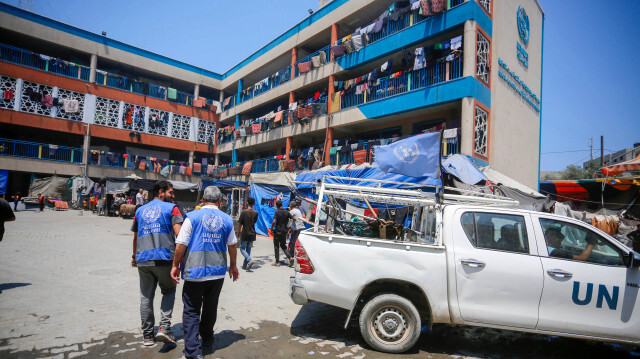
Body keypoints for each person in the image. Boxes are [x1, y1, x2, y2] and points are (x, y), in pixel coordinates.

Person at [171, 186, 239, 359]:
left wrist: (175, 265)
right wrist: (233, 266)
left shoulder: (192, 217)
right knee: (210, 306)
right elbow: (232, 245)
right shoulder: (227, 219)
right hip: (217, 272)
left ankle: (193, 352)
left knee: (192, 310)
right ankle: (207, 338)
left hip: (195, 270)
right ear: (219, 201)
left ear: (202, 200)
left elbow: (181, 245)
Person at [131, 180, 183, 347]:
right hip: (164, 259)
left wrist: (134, 256)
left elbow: (136, 236)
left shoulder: (140, 210)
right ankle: (164, 328)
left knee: (146, 297)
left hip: (143, 259)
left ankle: (147, 336)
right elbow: (180, 236)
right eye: (170, 193)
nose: (173, 196)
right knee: (168, 290)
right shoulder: (172, 208)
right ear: (161, 192)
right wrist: (180, 260)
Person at [237, 197, 258, 270]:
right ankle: (245, 266)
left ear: (247, 203)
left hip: (245, 232)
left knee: (242, 248)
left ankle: (249, 260)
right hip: (252, 232)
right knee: (248, 249)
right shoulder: (256, 213)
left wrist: (238, 231)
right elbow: (254, 222)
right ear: (254, 204)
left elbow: (240, 223)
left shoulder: (243, 212)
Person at [271, 200, 293, 267]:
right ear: (282, 205)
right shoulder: (287, 212)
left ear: (277, 205)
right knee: (283, 245)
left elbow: (274, 221)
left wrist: (272, 228)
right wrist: (289, 227)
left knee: (276, 246)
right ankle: (290, 257)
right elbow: (292, 219)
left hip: (278, 231)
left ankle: (277, 262)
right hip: (284, 231)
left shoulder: (277, 212)